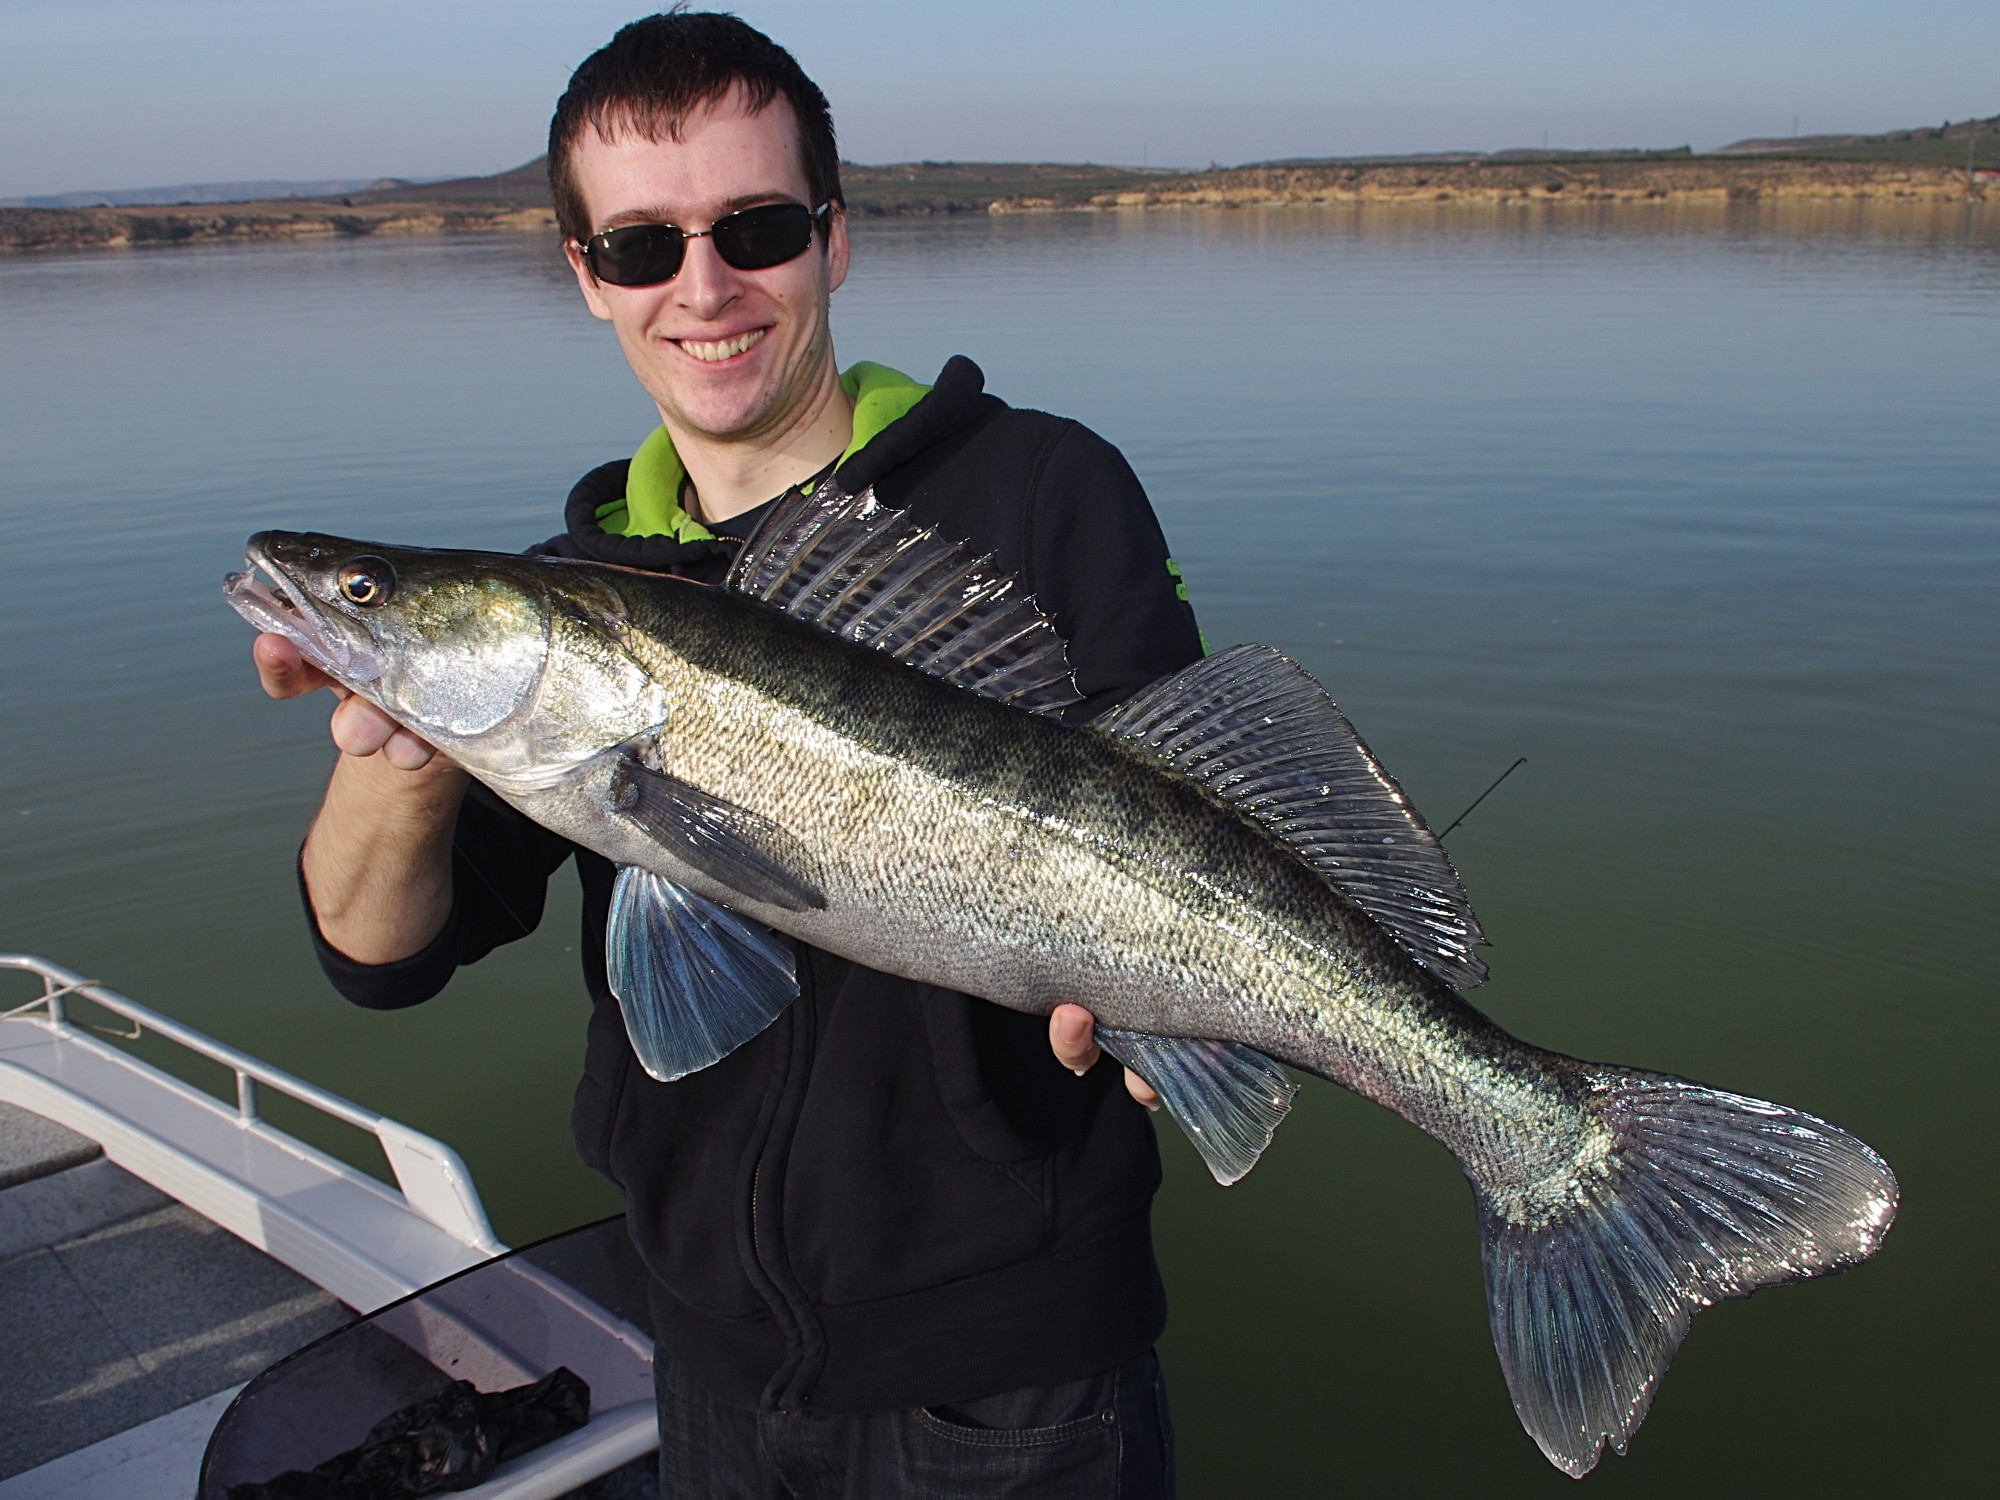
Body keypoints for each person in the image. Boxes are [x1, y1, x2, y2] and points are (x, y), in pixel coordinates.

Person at [254, 12, 1202, 1497]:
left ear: (834, 240)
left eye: (753, 227)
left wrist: (1181, 1028)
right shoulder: (569, 594)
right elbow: (381, 960)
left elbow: (1192, 818)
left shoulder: (1038, 490)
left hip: (1014, 1382)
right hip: (702, 1365)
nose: (701, 287)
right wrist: (396, 732)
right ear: (584, 276)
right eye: (640, 247)